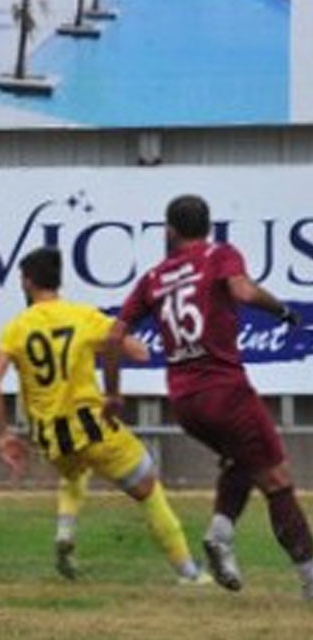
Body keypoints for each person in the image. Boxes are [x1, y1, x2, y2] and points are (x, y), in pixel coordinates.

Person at [108, 195, 313, 598]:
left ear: (170, 231)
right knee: (277, 481)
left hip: (185, 401)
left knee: (244, 459)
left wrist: (113, 394)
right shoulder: (219, 254)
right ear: (208, 227)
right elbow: (243, 291)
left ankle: (220, 532)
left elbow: (113, 337)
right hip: (225, 390)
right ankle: (309, 575)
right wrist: (282, 311)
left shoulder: (152, 278)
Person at [0, 247, 208, 584]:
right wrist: (117, 365)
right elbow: (134, 348)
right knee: (148, 488)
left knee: (75, 472)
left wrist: (3, 435)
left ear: (29, 282)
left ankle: (65, 532)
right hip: (93, 427)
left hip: (49, 438)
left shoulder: (14, 328)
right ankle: (189, 574)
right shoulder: (82, 316)